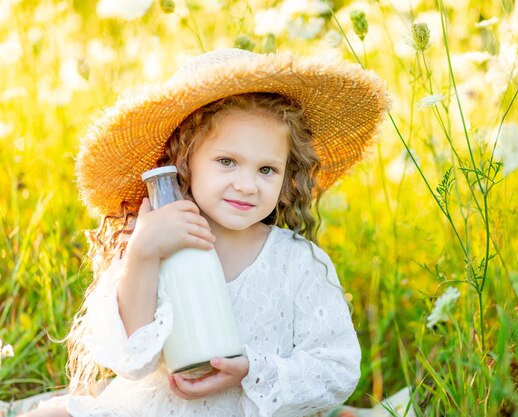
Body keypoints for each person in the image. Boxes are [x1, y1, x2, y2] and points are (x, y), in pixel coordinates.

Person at [25, 48, 389, 417]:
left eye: (267, 170)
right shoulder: (156, 241)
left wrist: (250, 370)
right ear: (186, 161)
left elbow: (336, 369)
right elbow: (132, 359)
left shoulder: (296, 262)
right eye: (227, 162)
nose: (247, 185)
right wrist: (143, 252)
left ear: (287, 175)